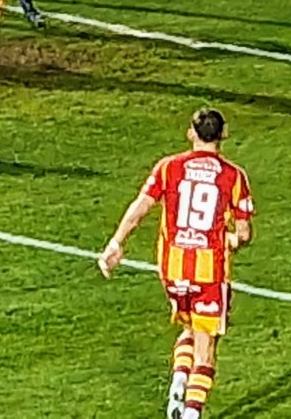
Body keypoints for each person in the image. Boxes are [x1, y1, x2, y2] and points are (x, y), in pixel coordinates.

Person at [99, 108, 253, 419]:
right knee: (206, 351)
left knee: (188, 327)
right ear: (224, 134)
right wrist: (232, 240)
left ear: (191, 132)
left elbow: (141, 207)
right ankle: (191, 412)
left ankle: (179, 381)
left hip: (172, 269)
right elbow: (244, 233)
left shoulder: (169, 167)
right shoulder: (233, 176)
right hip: (209, 272)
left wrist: (116, 242)